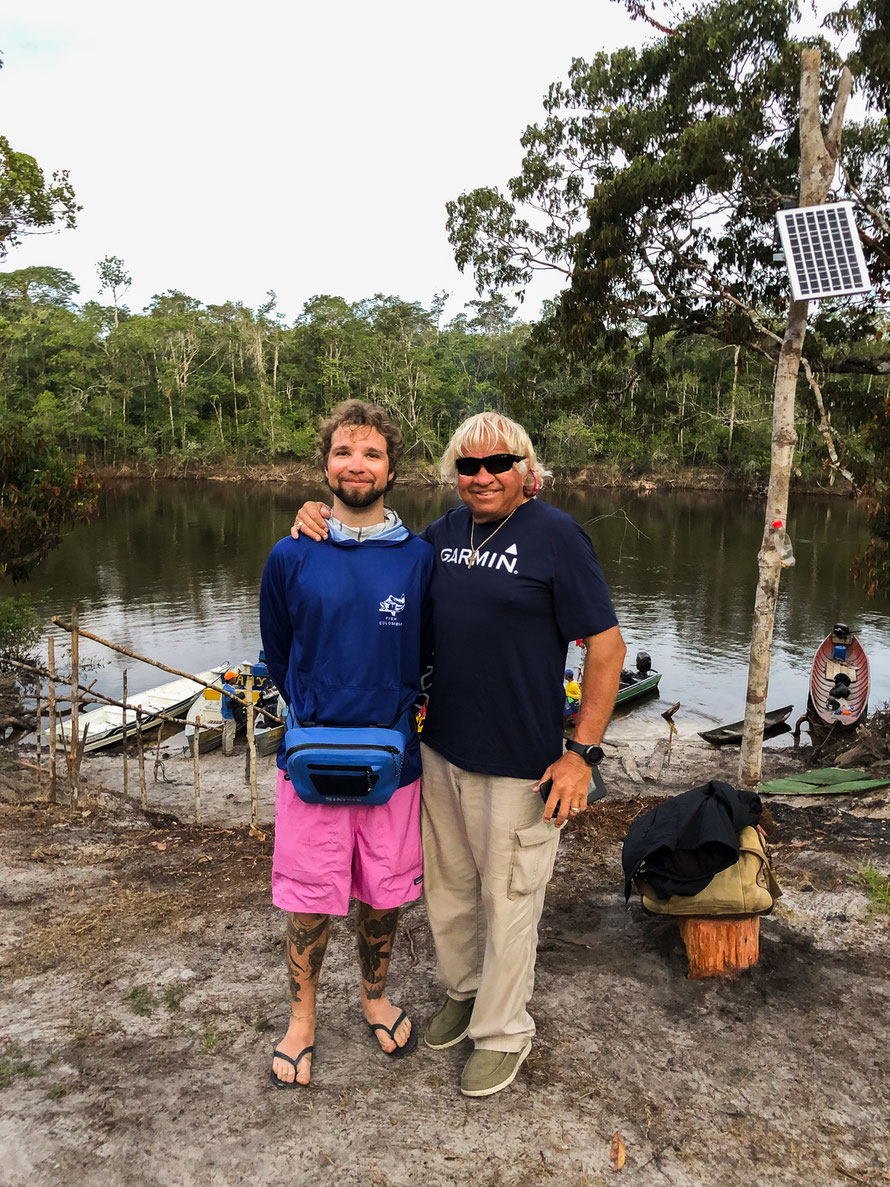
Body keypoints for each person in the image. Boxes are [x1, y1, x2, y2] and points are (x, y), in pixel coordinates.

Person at [291, 411, 625, 1097]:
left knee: (510, 900)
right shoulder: (442, 536)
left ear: (525, 467)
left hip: (523, 762)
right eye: (467, 466)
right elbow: (372, 554)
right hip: (439, 752)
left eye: (497, 463)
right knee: (449, 894)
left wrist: (582, 754)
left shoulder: (558, 537)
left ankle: (504, 1031)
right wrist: (315, 518)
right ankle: (466, 991)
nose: (482, 477)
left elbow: (607, 646)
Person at [261, 400, 433, 1088]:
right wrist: (318, 707)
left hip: (394, 760)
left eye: (370, 453)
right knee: (308, 896)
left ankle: (374, 995)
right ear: (324, 463)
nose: (355, 463)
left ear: (392, 468)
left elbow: (431, 653)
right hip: (310, 759)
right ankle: (301, 1019)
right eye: (343, 451)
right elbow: (279, 652)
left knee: (383, 894)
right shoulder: (292, 552)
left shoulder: (419, 558)